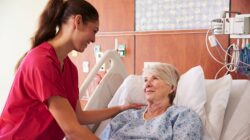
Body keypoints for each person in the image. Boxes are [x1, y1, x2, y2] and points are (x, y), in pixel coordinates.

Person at [0, 0, 142, 139]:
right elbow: (71, 130)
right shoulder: (41, 61)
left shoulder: (70, 69)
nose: (93, 39)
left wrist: (119, 109)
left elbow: (78, 116)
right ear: (78, 21)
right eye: (94, 31)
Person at [100, 63, 202, 140]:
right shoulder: (126, 116)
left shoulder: (183, 116)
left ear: (172, 88)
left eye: (155, 78)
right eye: (145, 80)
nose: (147, 84)